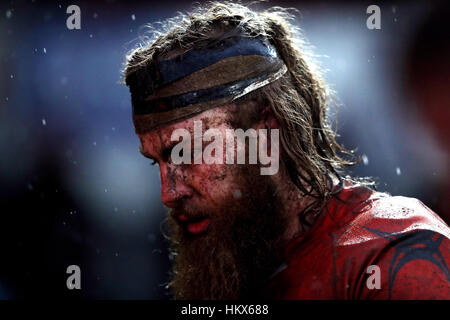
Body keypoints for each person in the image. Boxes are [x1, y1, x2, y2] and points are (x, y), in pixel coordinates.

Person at [123, 1, 450, 299]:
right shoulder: (236, 267)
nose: (169, 192)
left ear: (267, 131)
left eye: (190, 152)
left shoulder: (391, 260)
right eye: (158, 163)